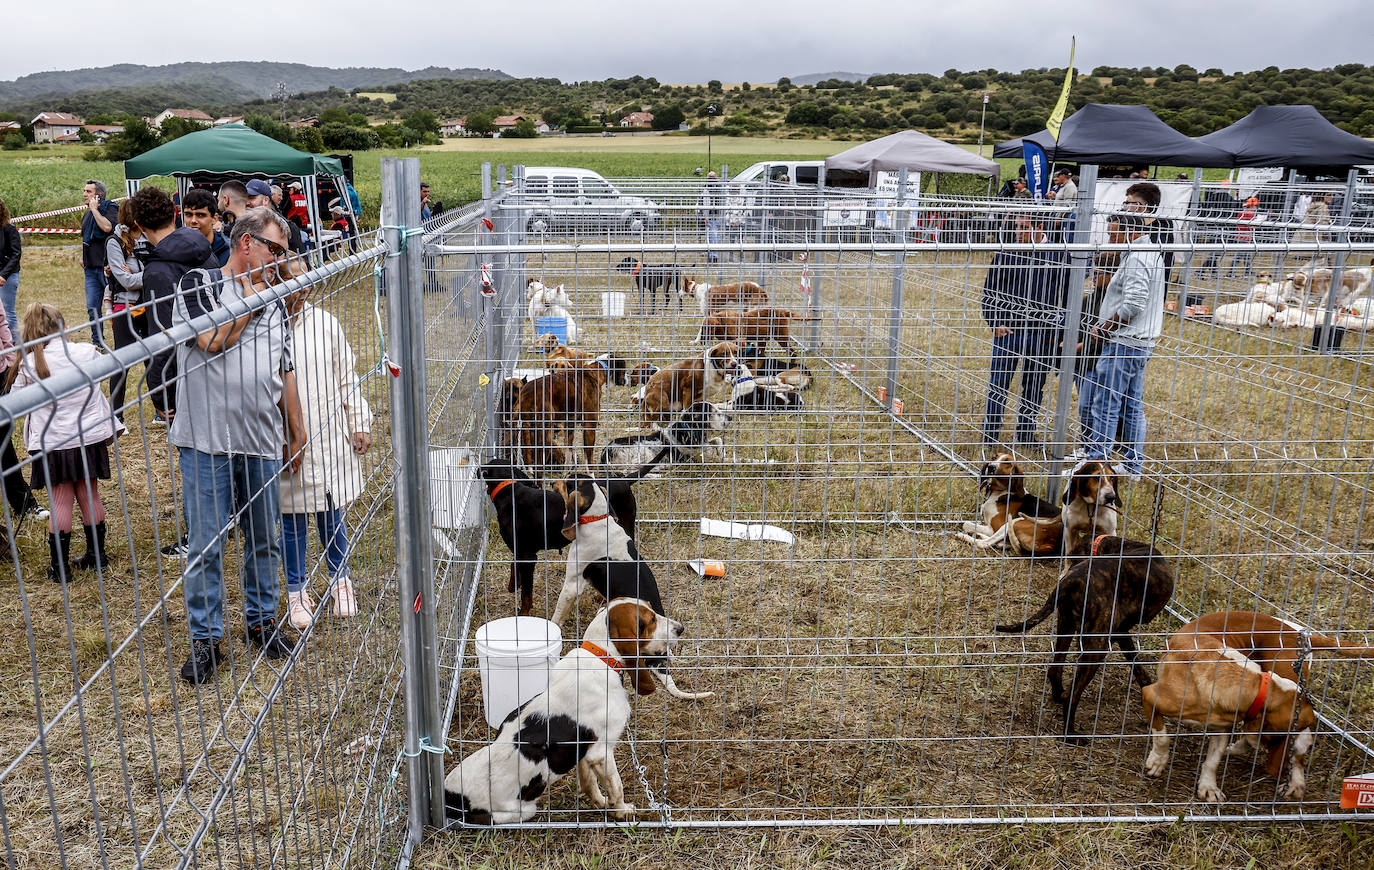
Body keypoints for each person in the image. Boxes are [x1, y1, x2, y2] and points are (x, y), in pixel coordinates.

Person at [172, 206, 305, 683]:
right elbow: (209, 341)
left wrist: (296, 429)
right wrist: (249, 305)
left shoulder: (276, 298)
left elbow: (284, 367)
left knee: (264, 538)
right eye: (275, 249)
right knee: (207, 544)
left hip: (262, 440)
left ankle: (262, 622)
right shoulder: (198, 285)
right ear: (246, 243)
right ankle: (206, 640)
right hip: (207, 441)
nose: (281, 260)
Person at [280, 278, 373, 629]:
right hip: (286, 439)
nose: (299, 290)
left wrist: (358, 420)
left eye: (304, 281)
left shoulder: (325, 324)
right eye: (291, 281)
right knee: (291, 517)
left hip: (327, 434)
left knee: (331, 512)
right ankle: (296, 589)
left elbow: (347, 376)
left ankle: (340, 579)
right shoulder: (264, 328)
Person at [8, 302, 124, 581]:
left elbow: (15, 403)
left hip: (54, 443)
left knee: (60, 502)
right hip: (88, 437)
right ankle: (98, 557)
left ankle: (60, 569)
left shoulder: (29, 364)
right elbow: (106, 374)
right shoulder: (86, 352)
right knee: (90, 495)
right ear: (64, 326)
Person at [1082, 212, 1165, 480]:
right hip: (1138, 342)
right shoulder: (1148, 252)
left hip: (1125, 343)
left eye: (1113, 233)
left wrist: (1104, 328)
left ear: (1128, 231)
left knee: (1106, 403)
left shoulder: (1138, 257)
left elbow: (1133, 304)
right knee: (1131, 405)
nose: (1110, 239)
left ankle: (1096, 464)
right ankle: (1132, 465)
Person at [980, 213, 1067, 450]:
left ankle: (1026, 434)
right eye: (1017, 226)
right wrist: (994, 322)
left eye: (1024, 226)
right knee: (998, 383)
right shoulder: (1006, 252)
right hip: (1009, 332)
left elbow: (1068, 297)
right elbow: (990, 292)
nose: (1019, 231)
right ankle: (990, 434)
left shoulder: (1059, 255)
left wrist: (1059, 331)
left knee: (1034, 385)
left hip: (1042, 334)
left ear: (1040, 226)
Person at [132, 186, 217, 428]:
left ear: (138, 225)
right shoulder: (201, 246)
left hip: (185, 374)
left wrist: (160, 392)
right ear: (175, 214)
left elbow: (163, 331)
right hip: (215, 353)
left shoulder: (158, 271)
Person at [104, 200, 148, 422]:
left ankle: (163, 410)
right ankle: (115, 417)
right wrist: (150, 275)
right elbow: (126, 280)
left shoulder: (149, 237)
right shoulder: (114, 242)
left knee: (155, 358)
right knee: (122, 362)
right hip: (126, 307)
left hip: (149, 305)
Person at [81, 180, 120, 346]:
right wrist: (82, 255)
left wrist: (95, 209)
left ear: (99, 195)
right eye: (84, 191)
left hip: (107, 268)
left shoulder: (110, 209)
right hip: (90, 268)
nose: (84, 194)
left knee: (115, 306)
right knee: (92, 308)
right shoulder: (87, 213)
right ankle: (98, 343)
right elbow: (86, 237)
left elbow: (107, 227)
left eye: (88, 191)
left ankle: (122, 340)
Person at [181, 189, 231, 267]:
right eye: (188, 214)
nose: (193, 221)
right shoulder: (178, 250)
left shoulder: (229, 251)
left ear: (214, 218)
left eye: (200, 215)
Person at [0, 195, 20, 338]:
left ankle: (15, 346)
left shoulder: (9, 229)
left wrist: (3, 275)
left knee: (8, 312)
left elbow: (16, 254)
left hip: (8, 275)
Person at [1227, 197, 1261, 277]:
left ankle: (1247, 271)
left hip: (1240, 236)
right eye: (1256, 206)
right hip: (1245, 237)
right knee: (1239, 255)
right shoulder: (1250, 214)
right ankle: (1230, 272)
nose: (1256, 208)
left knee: (1247, 256)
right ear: (1253, 206)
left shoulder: (1242, 212)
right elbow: (1251, 225)